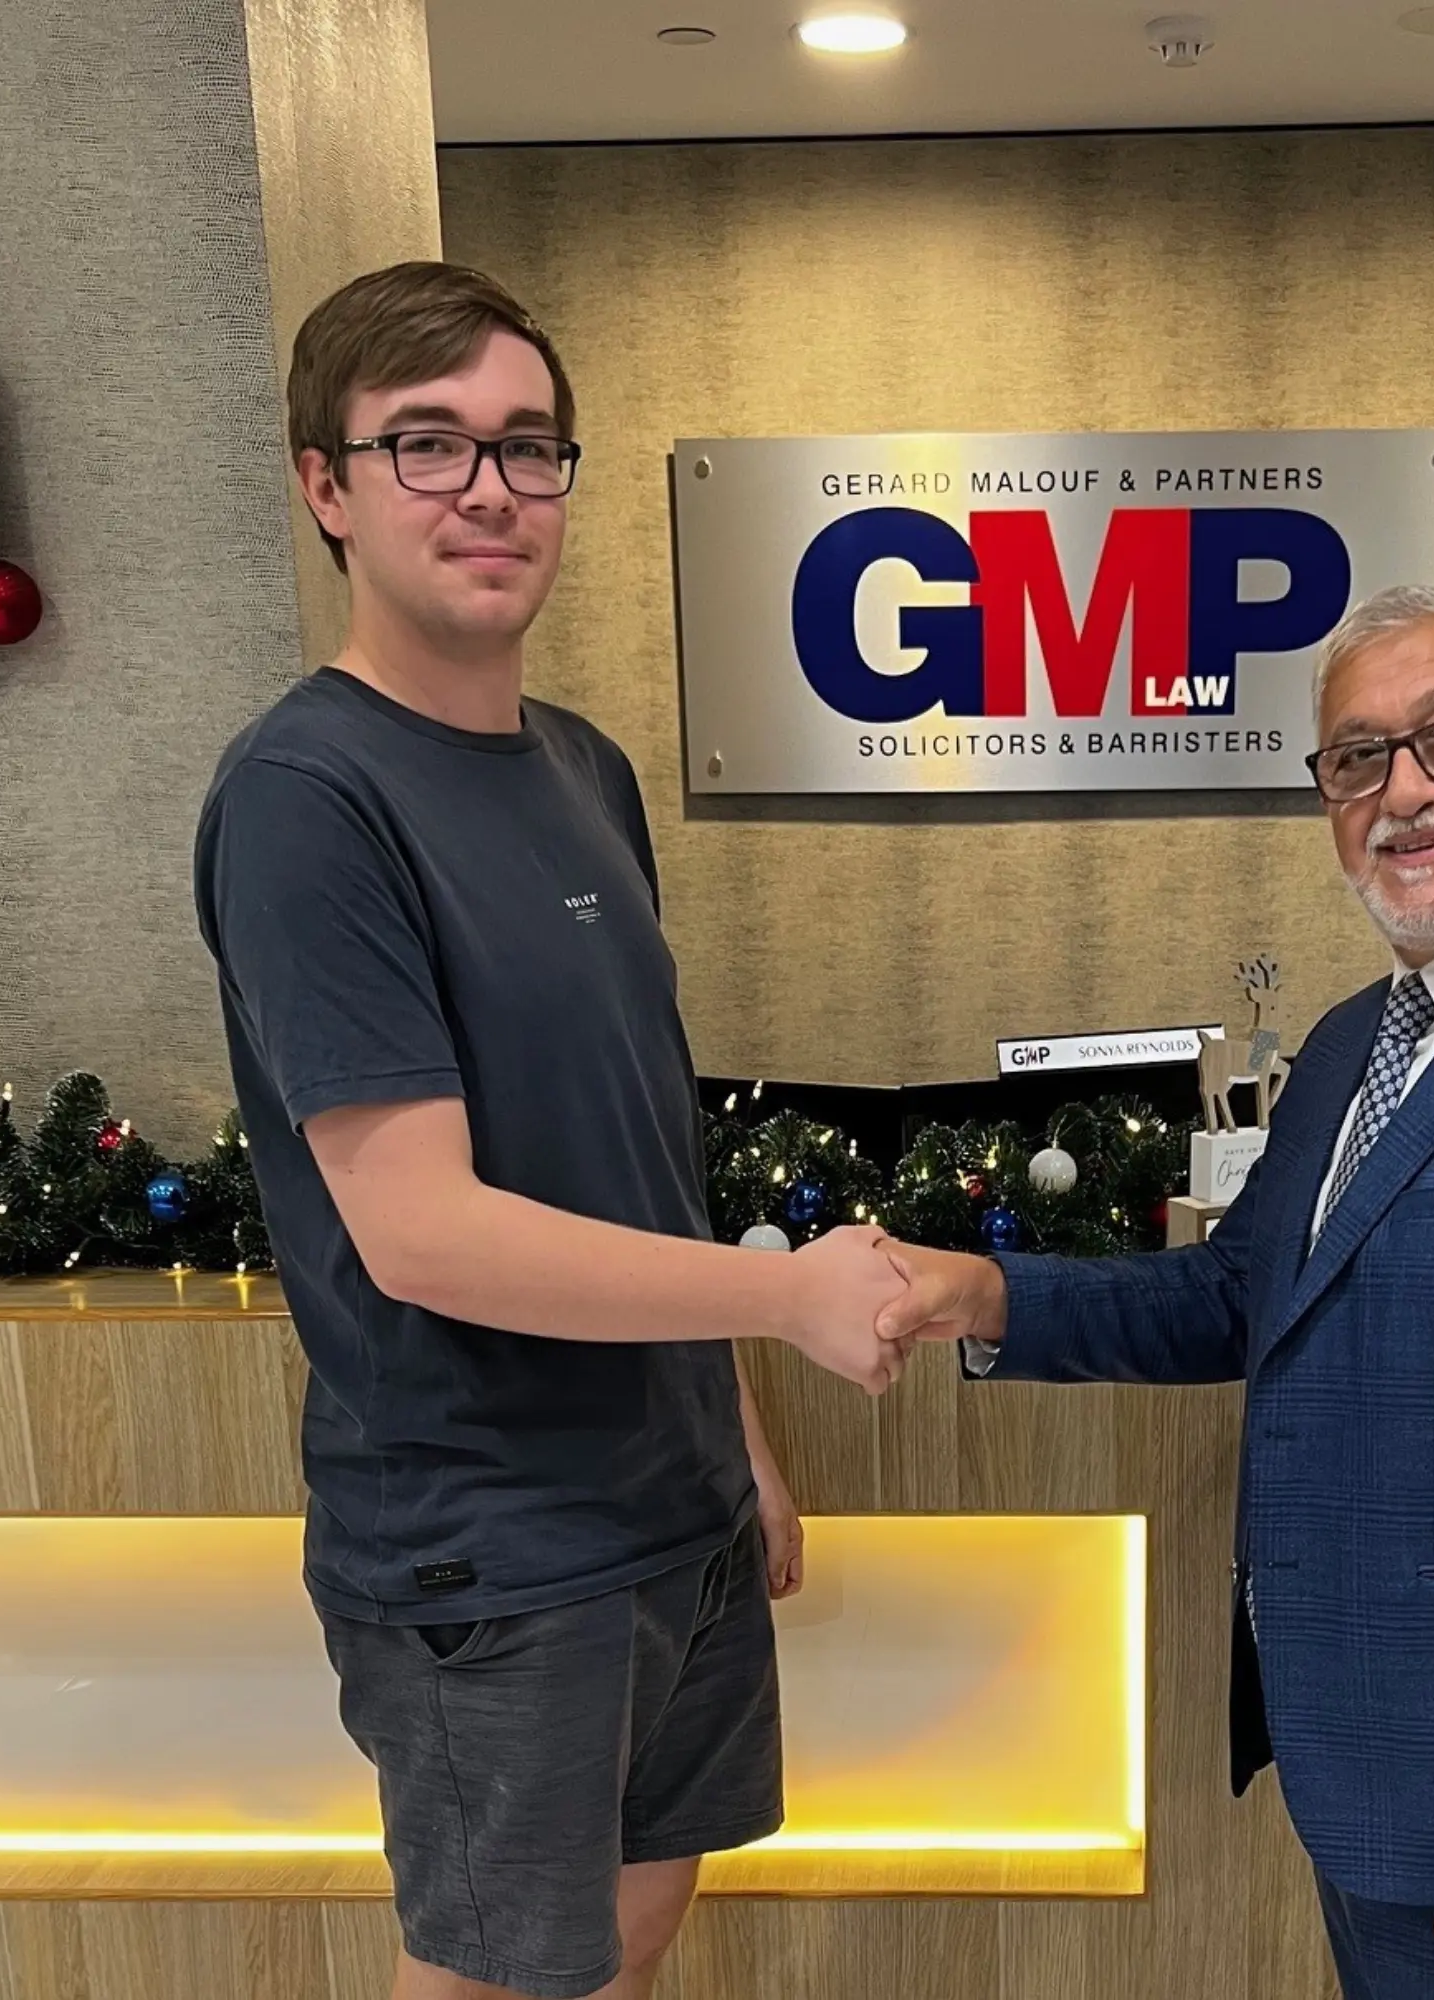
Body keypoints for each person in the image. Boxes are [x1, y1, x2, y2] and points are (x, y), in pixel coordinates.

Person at [881, 585, 1434, 2000]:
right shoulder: (1361, 1039)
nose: (1404, 793)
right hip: (1378, 1779)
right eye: (1358, 758)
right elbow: (1237, 1295)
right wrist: (982, 1294)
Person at [193, 261, 907, 2000]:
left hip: (674, 1505)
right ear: (327, 486)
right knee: (505, 1977)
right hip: (491, 1540)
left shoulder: (586, 771)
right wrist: (784, 1301)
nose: (490, 490)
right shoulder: (306, 799)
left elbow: (640, 1147)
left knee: (635, 1938)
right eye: (426, 445)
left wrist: (736, 1431)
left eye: (528, 446)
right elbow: (421, 1233)